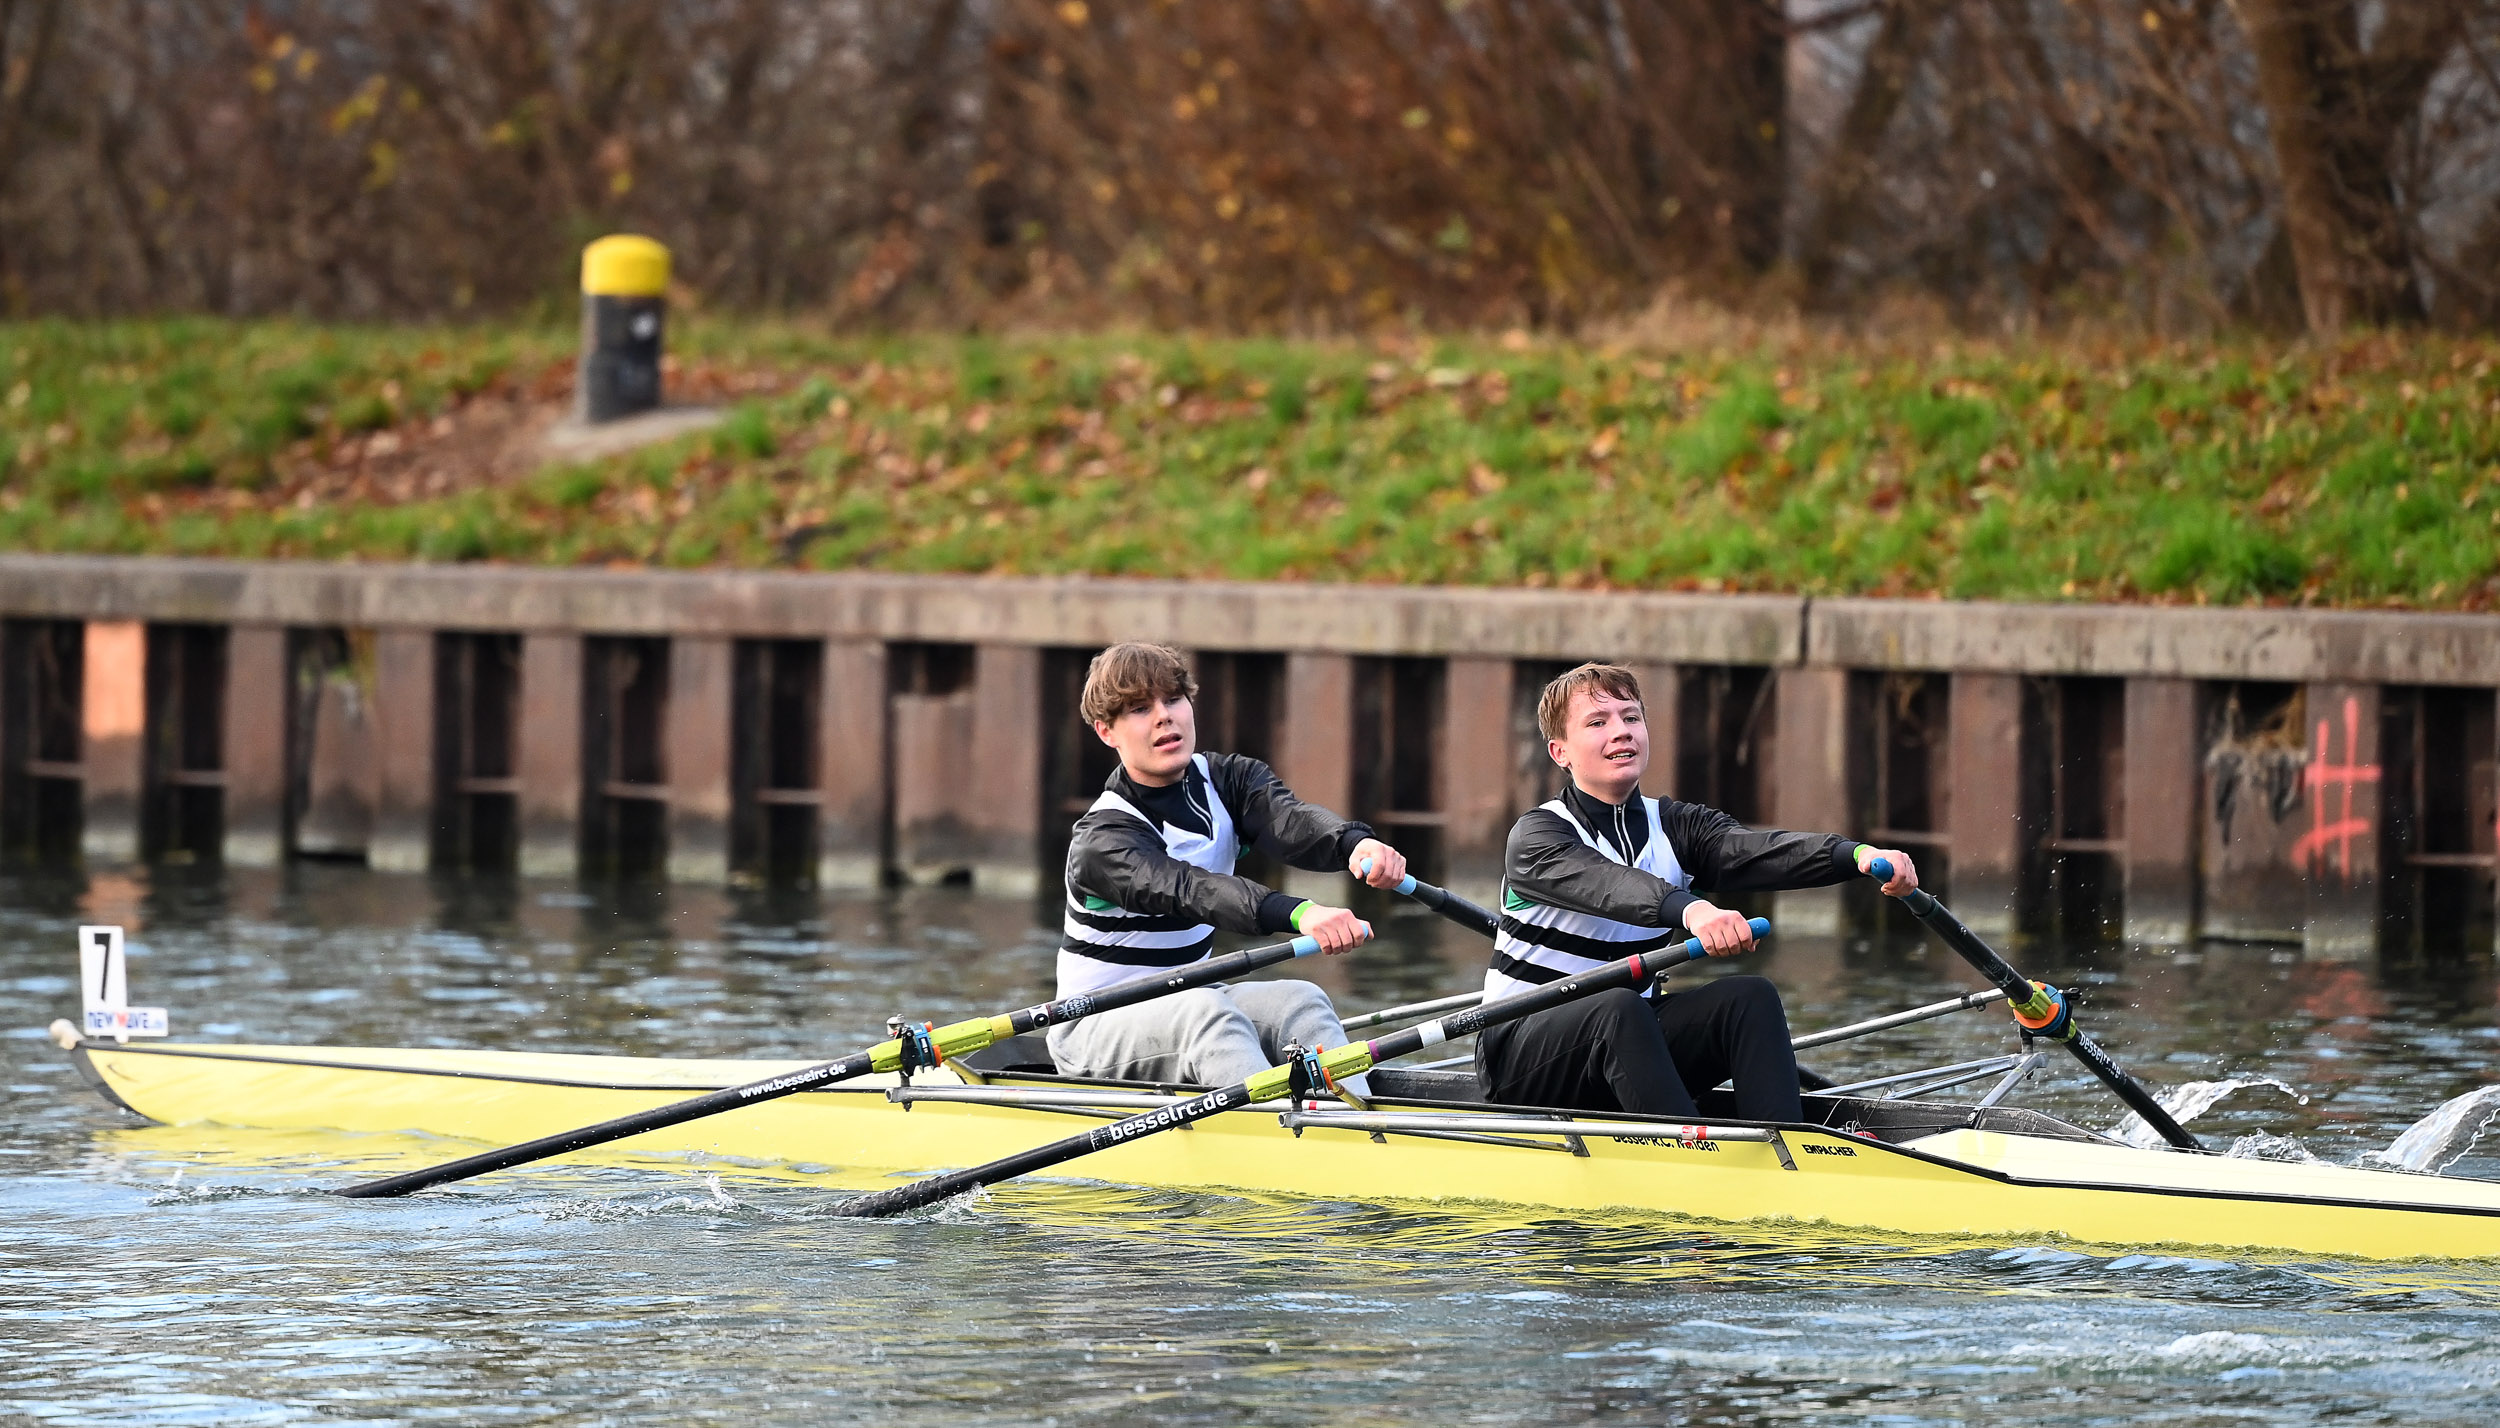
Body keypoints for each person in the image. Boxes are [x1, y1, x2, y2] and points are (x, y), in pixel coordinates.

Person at [1478, 662, 1921, 1122]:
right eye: (1598, 722)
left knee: (1748, 998)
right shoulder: (1536, 837)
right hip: (1520, 1056)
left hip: (1624, 1047)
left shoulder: (1676, 826)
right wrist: (1693, 912)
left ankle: (1785, 1147)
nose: (1622, 732)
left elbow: (1757, 850)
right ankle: (1685, 1153)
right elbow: (1611, 886)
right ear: (1560, 752)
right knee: (1618, 1006)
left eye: (1631, 718)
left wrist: (1856, 856)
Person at [1052, 641, 1409, 1092]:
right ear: (1107, 732)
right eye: (1140, 709)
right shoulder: (1103, 839)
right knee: (1208, 1015)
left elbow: (1292, 821)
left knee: (1302, 1000)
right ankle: (1277, 1136)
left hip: (1190, 1000)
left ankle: (1363, 1126)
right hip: (1094, 1027)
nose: (1165, 716)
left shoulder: (1229, 780)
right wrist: (1301, 914)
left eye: (1173, 699)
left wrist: (1357, 845)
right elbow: (1193, 891)